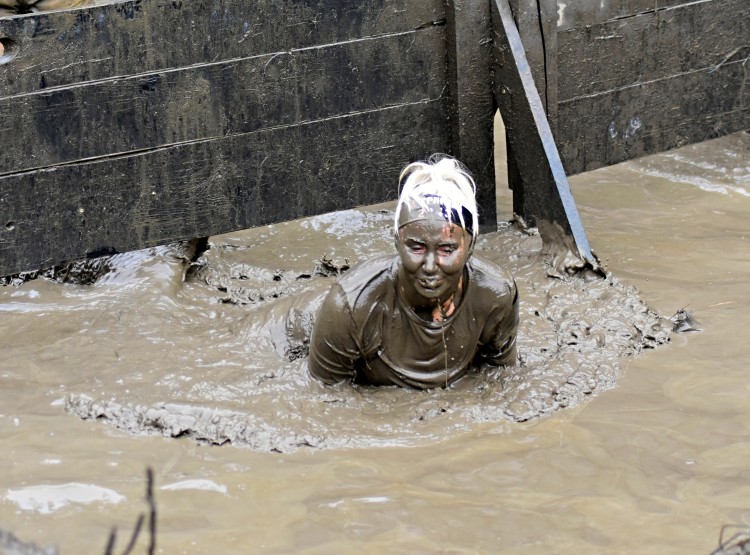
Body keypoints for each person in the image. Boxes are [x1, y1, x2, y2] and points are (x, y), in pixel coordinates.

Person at [307, 155, 519, 389]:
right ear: (397, 242)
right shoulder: (351, 305)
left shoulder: (496, 295)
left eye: (447, 249)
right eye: (416, 248)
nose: (429, 266)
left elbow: (500, 377)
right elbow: (325, 397)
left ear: (471, 246)